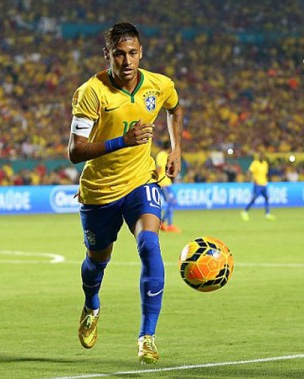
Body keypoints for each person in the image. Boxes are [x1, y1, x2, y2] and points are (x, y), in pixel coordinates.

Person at [68, 22, 183, 364]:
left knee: (149, 244)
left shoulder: (160, 84)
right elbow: (75, 151)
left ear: (141, 52)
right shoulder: (91, 92)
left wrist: (176, 149)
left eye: (133, 53)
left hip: (140, 181)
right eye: (119, 53)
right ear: (108, 55)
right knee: (96, 261)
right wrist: (123, 140)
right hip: (100, 191)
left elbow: (175, 108)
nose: (127, 60)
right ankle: (92, 304)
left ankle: (147, 336)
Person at [241, 151, 275, 221]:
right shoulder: (255, 163)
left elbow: (265, 174)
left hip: (264, 183)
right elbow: (249, 172)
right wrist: (251, 179)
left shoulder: (265, 164)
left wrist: (267, 181)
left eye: (262, 156)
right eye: (260, 156)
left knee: (267, 198)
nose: (261, 157)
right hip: (257, 184)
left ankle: (267, 214)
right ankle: (245, 211)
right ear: (258, 156)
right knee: (254, 199)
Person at [156, 140, 180, 233]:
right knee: (171, 202)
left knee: (172, 202)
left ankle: (166, 224)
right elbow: (159, 168)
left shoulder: (164, 155)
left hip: (167, 183)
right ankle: (167, 224)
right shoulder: (162, 155)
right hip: (163, 184)